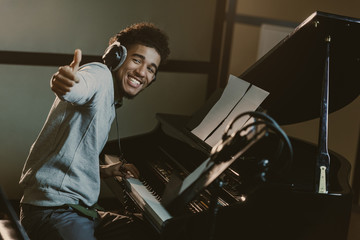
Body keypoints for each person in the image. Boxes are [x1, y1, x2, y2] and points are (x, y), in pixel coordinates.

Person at [19, 22, 170, 240]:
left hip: (76, 210)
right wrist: (65, 82)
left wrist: (106, 170)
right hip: (52, 212)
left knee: (144, 231)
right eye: (137, 60)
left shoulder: (110, 99)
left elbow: (70, 157)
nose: (141, 72)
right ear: (116, 56)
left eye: (150, 69)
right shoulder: (99, 75)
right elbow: (78, 86)